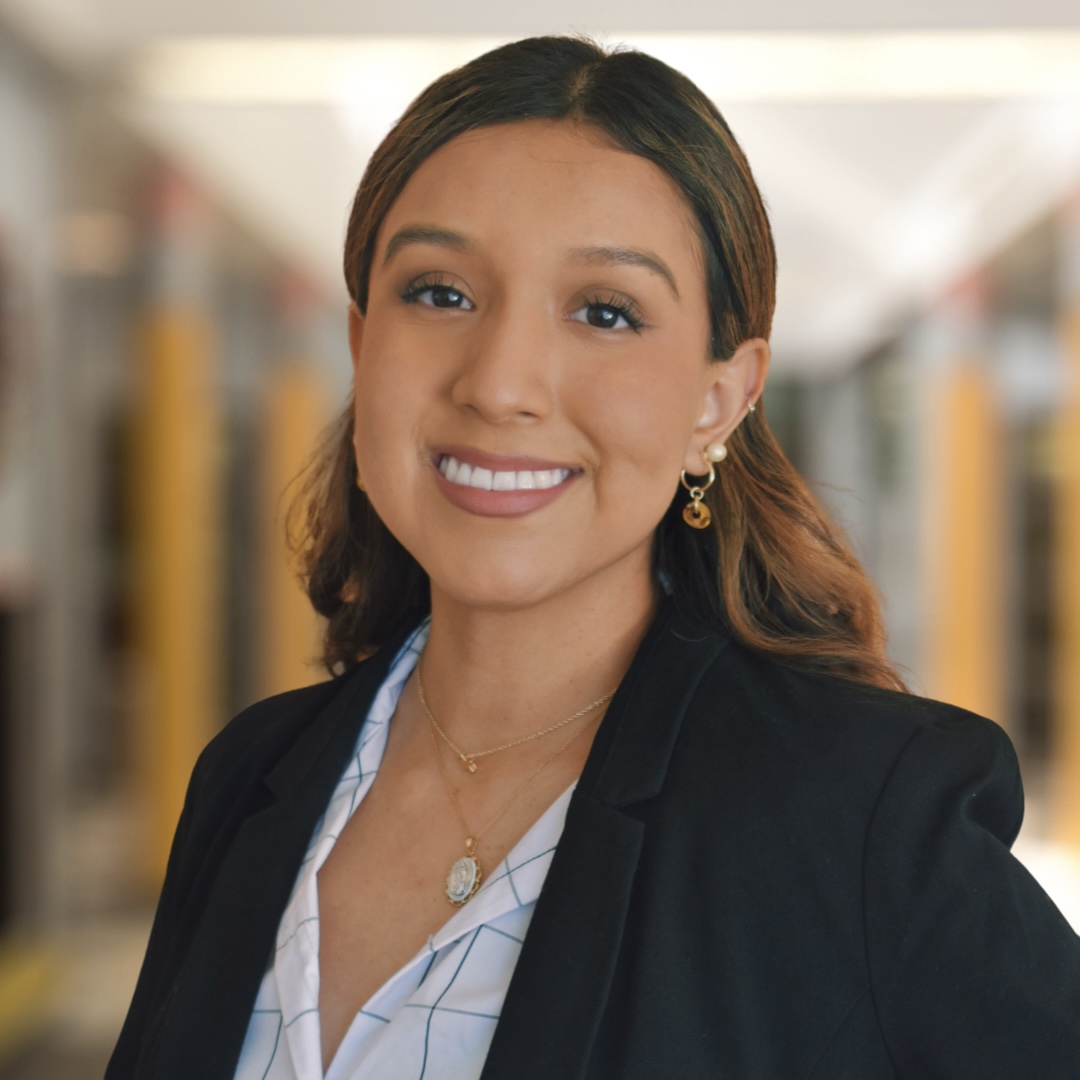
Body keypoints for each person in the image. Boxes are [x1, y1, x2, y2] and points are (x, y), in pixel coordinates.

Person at [107, 35, 1080, 1080]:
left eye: (604, 312)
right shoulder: (250, 777)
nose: (501, 382)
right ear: (360, 342)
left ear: (721, 400)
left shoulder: (859, 816)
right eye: (439, 293)